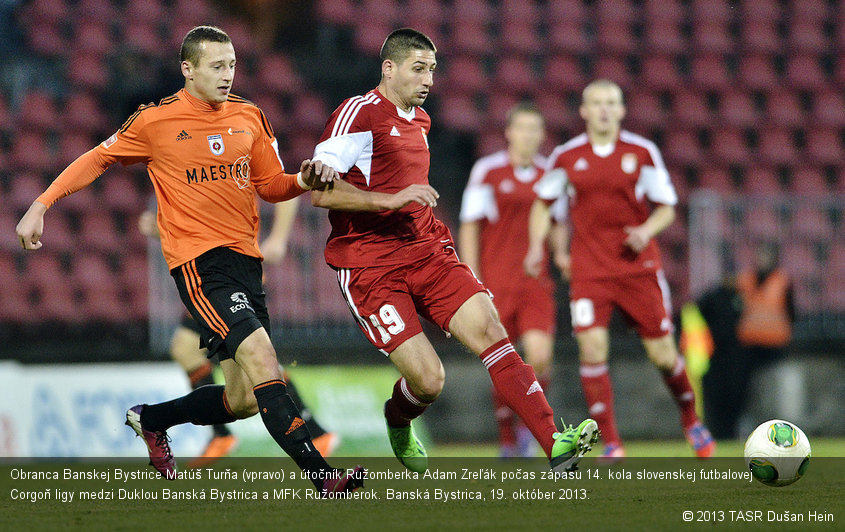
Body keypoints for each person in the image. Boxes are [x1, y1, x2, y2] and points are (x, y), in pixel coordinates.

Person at [15, 25, 362, 495]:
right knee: (264, 358)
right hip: (200, 264)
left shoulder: (249, 116)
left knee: (241, 400)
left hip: (245, 263)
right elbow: (96, 159)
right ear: (188, 69)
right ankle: (324, 478)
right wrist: (41, 204)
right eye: (217, 66)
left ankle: (152, 419)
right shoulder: (155, 122)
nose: (227, 74)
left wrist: (302, 180)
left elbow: (271, 186)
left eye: (232, 65)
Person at [308, 28, 598, 473]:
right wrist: (388, 198)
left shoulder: (420, 120)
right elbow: (321, 192)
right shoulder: (359, 114)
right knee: (428, 381)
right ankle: (398, 421)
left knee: (488, 327)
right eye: (418, 69)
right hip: (369, 264)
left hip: (427, 250)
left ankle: (553, 443)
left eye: (432, 70)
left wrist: (404, 203)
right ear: (389, 68)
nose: (428, 80)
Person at [525, 79, 715, 461]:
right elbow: (542, 204)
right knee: (592, 348)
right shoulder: (566, 156)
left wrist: (646, 230)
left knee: (663, 355)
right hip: (590, 272)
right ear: (583, 111)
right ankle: (612, 442)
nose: (604, 110)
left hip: (637, 270)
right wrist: (535, 247)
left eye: (611, 102)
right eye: (596, 103)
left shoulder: (641, 153)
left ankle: (690, 418)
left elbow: (666, 207)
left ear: (622, 110)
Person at [138, 202, 340, 468]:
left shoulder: (231, 161)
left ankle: (314, 435)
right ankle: (220, 433)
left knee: (250, 359)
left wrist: (278, 239)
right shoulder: (192, 169)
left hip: (230, 270)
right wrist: (164, 230)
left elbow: (284, 188)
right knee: (198, 353)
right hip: (208, 270)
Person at [458, 102, 564, 458]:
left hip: (536, 284)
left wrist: (561, 253)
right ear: (509, 132)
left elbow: (559, 222)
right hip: (496, 284)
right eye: (523, 128)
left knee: (540, 357)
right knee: (504, 364)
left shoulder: (551, 173)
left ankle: (525, 431)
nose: (530, 135)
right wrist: (471, 279)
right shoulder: (487, 171)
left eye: (536, 129)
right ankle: (507, 438)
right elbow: (470, 226)